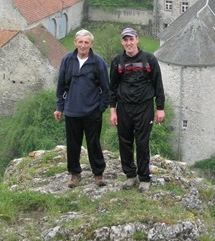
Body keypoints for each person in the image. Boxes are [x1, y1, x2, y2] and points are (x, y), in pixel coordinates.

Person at [109, 27, 165, 193]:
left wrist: (160, 108)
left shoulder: (149, 59)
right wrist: (112, 110)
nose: (129, 43)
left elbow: (158, 85)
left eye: (131, 39)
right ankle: (130, 176)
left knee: (142, 143)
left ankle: (144, 178)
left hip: (144, 107)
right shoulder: (117, 61)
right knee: (125, 143)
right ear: (122, 42)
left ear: (137, 40)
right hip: (124, 108)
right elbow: (112, 88)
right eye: (125, 40)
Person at [55, 29, 110, 188]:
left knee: (93, 143)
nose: (83, 45)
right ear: (75, 43)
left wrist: (100, 109)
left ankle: (98, 174)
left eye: (86, 42)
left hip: (92, 111)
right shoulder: (67, 60)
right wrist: (60, 107)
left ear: (91, 44)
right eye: (80, 42)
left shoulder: (98, 62)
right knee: (73, 144)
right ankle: (75, 174)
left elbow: (106, 88)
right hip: (71, 110)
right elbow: (61, 86)